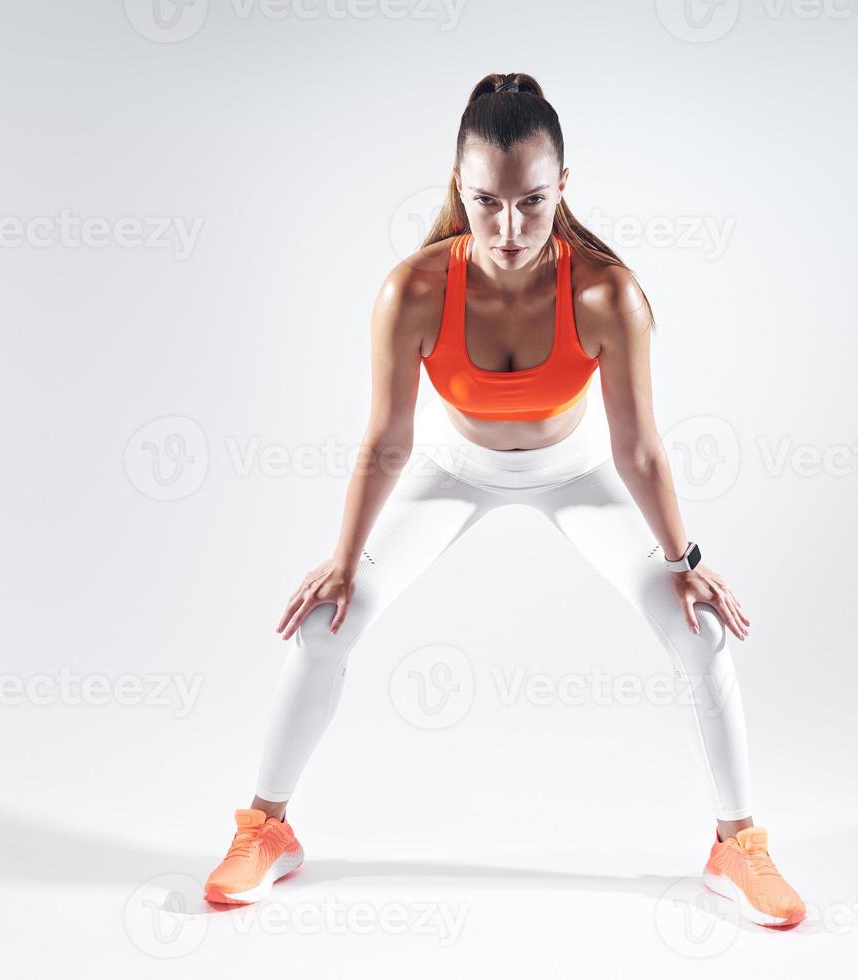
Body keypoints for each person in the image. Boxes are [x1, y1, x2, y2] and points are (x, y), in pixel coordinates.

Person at [202, 72, 805, 928]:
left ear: (563, 189)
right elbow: (387, 441)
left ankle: (735, 845)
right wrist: (342, 562)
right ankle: (267, 827)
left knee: (698, 631)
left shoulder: (606, 292)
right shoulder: (412, 290)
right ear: (459, 190)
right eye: (486, 202)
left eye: (531, 201)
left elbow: (636, 447)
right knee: (322, 622)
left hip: (577, 472)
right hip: (452, 469)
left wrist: (685, 561)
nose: (510, 228)